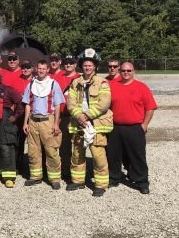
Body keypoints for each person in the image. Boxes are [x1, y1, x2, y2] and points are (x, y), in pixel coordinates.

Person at [66, 48, 113, 197]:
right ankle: (78, 181)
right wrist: (79, 116)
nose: (87, 67)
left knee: (98, 155)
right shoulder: (75, 83)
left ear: (95, 67)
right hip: (79, 123)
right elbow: (70, 103)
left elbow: (104, 103)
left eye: (90, 65)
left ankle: (100, 185)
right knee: (77, 153)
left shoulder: (102, 83)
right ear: (81, 66)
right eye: (85, 65)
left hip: (96, 123)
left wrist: (87, 115)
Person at [107, 62, 157, 194]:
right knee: (113, 155)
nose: (126, 72)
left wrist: (145, 124)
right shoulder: (112, 86)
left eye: (129, 70)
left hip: (135, 127)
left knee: (137, 155)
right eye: (123, 70)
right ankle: (114, 178)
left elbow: (150, 107)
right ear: (120, 71)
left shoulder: (141, 87)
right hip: (115, 127)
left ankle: (141, 182)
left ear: (134, 71)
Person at [22, 60, 65, 189]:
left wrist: (56, 124)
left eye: (43, 69)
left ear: (47, 70)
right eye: (39, 68)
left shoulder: (53, 84)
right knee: (33, 150)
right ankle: (36, 176)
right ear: (36, 69)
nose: (41, 70)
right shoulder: (31, 84)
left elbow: (57, 105)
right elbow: (28, 105)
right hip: (34, 121)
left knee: (51, 150)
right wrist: (26, 122)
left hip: (48, 120)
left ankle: (55, 178)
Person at [58, 55, 80, 179]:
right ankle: (65, 170)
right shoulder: (58, 78)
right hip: (63, 116)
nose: (68, 65)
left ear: (75, 64)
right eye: (66, 63)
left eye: (71, 63)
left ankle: (77, 171)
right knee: (64, 145)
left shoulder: (80, 78)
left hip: (76, 116)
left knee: (78, 145)